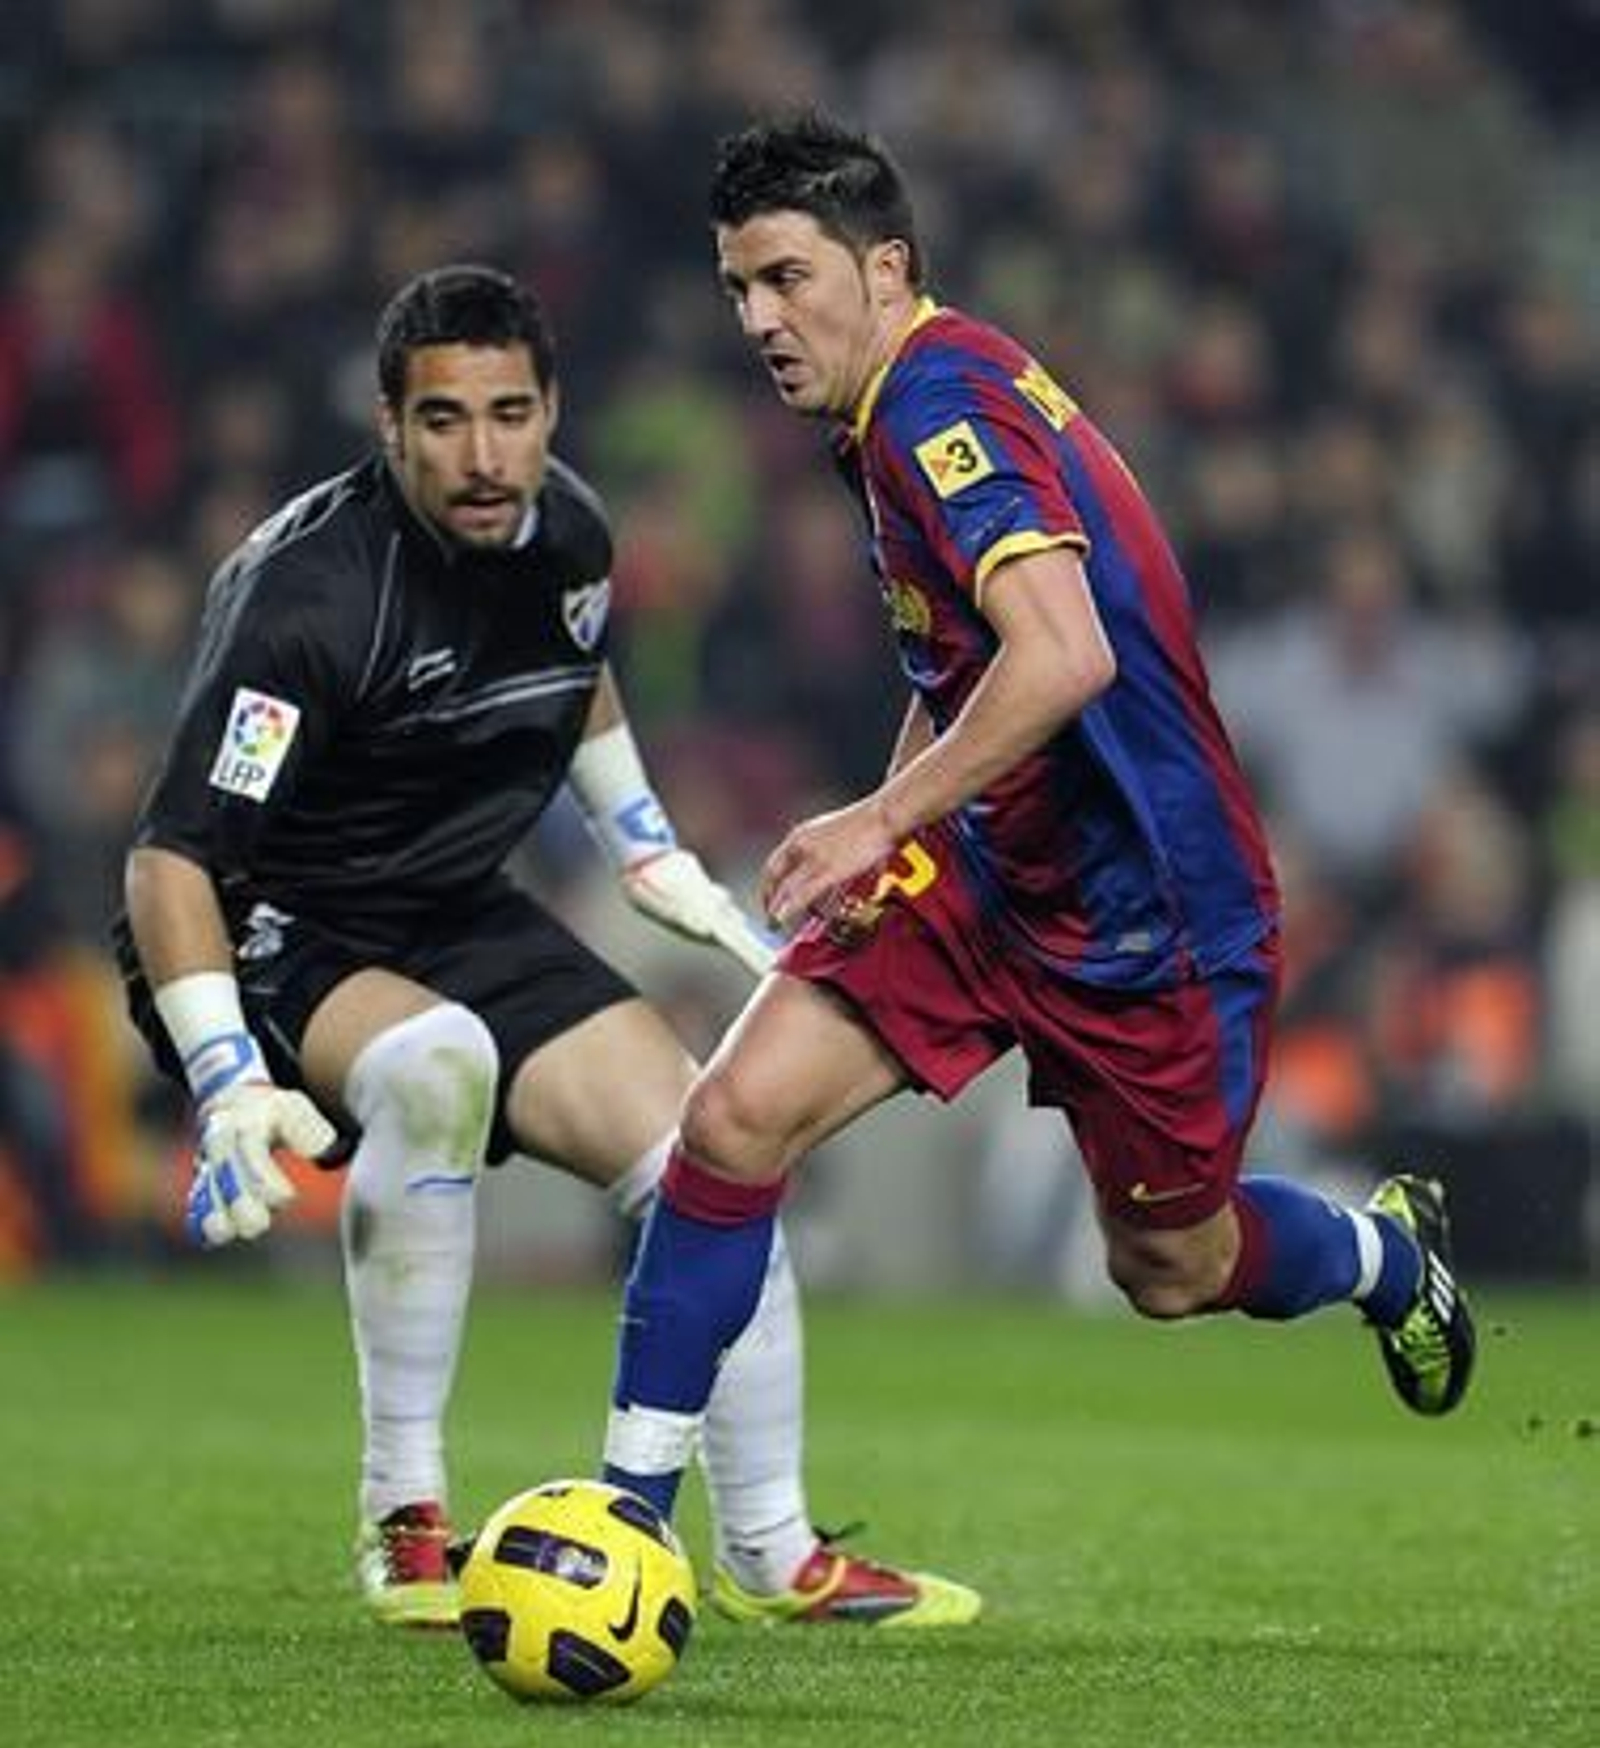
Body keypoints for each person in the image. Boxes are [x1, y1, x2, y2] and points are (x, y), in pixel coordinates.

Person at [601, 113, 1477, 1526]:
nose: (759, 320)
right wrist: (904, 829)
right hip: (990, 863)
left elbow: (1067, 655)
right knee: (735, 1119)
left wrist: (879, 818)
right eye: (737, 290)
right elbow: (967, 666)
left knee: (1169, 1270)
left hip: (1150, 907)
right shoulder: (888, 411)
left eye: (785, 279)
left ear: (885, 268)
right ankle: (624, 1515)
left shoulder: (938, 405)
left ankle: (1386, 1263)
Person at [117, 263, 979, 1630]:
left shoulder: (570, 532)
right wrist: (221, 1068)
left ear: (551, 409)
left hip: (457, 911)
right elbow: (171, 855)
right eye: (445, 420)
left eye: (511, 414)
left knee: (720, 1141)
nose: (484, 453)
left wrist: (645, 842)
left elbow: (575, 679)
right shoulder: (307, 598)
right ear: (389, 426)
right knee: (438, 1064)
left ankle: (773, 1551)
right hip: (273, 929)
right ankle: (405, 1518)